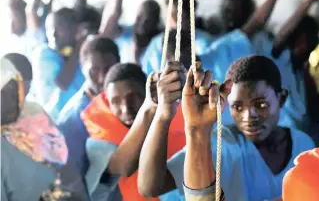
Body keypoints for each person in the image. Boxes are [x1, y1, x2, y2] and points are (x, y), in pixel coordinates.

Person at [138, 56, 315, 201]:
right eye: (237, 107)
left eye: (261, 104)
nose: (248, 117)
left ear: (281, 98)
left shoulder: (303, 144)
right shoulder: (223, 142)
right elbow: (151, 187)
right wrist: (162, 115)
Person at [81, 63, 186, 200]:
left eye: (133, 97)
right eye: (116, 101)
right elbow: (123, 167)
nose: (126, 108)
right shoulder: (99, 140)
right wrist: (150, 107)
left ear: (146, 93)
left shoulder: (180, 115)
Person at [0, 58, 89, 201]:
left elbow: (61, 159)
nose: (11, 100)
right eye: (2, 93)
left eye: (14, 91)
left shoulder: (33, 113)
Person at [269, 0, 319, 141]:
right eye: (309, 40)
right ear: (295, 40)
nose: (313, 46)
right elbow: (282, 36)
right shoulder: (279, 61)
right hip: (280, 140)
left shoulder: (301, 72)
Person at [57, 37, 120, 180]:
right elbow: (74, 176)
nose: (102, 78)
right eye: (94, 70)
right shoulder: (73, 119)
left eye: (108, 69)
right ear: (82, 67)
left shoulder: (124, 101)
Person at [140, 0, 213, 75]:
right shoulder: (156, 43)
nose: (175, 21)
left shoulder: (205, 43)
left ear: (191, 17)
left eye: (180, 17)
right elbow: (146, 73)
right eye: (171, 15)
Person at [32, 7, 85, 119]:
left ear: (74, 29)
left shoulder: (81, 53)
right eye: (49, 29)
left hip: (79, 120)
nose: (53, 34)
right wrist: (78, 46)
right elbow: (62, 83)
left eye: (59, 27)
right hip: (53, 121)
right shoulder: (44, 53)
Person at [115, 0, 162, 64]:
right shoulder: (128, 32)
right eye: (139, 17)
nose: (142, 23)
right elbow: (111, 25)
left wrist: (135, 54)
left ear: (156, 22)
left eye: (147, 21)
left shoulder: (158, 42)